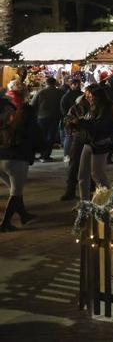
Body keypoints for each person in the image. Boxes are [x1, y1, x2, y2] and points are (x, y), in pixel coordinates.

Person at [1, 101, 44, 230]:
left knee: (16, 191)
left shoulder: (11, 124)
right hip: (17, 161)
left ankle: (23, 214)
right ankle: (5, 223)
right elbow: (40, 144)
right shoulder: (32, 127)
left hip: (1, 159)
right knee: (15, 192)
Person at [76, 83, 113, 199]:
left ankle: (109, 201)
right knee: (82, 175)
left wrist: (81, 122)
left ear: (98, 96)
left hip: (100, 143)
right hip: (89, 142)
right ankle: (84, 203)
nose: (88, 97)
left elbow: (99, 125)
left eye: (90, 95)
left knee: (97, 174)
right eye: (87, 95)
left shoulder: (107, 108)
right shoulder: (92, 107)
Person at [31, 76, 65, 162]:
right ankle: (45, 156)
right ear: (55, 83)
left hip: (42, 117)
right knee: (51, 136)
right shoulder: (60, 92)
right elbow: (63, 104)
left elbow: (33, 104)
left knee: (41, 136)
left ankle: (40, 154)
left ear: (46, 83)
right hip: (55, 117)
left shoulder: (41, 92)